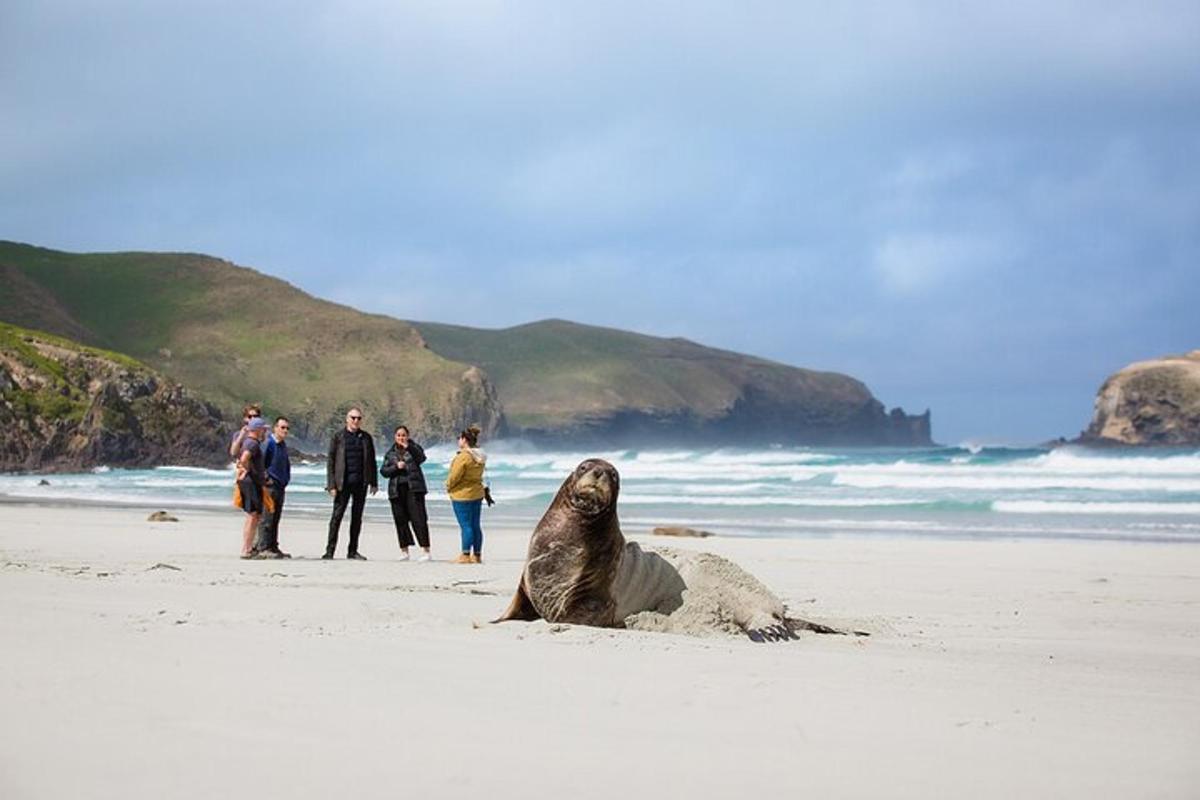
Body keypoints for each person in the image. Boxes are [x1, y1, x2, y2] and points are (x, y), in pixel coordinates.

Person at [324, 406, 377, 560]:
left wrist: (373, 482)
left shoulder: (366, 437)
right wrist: (331, 485)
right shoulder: (338, 436)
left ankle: (352, 551)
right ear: (347, 419)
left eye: (358, 418)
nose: (356, 421)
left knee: (357, 518)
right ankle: (330, 551)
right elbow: (331, 461)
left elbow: (372, 461)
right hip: (342, 483)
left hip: (361, 484)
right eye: (353, 418)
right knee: (337, 517)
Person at [380, 425, 432, 561]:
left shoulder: (414, 448)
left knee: (419, 519)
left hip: (414, 488)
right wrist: (395, 467)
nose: (401, 438)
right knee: (400, 520)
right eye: (398, 435)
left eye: (403, 435)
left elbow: (421, 458)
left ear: (408, 436)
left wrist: (408, 446)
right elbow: (383, 471)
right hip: (396, 490)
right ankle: (404, 551)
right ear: (394, 437)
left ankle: (426, 550)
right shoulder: (390, 453)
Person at [445, 424, 487, 564]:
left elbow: (455, 476)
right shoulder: (480, 456)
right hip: (477, 492)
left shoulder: (463, 457)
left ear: (464, 440)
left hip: (462, 494)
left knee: (466, 525)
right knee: (475, 524)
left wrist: (448, 486)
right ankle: (477, 554)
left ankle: (465, 554)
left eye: (460, 439)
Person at [253, 416, 292, 559]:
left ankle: (273, 546)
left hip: (280, 485)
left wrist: (286, 479)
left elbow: (286, 464)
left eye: (287, 428)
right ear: (275, 428)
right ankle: (263, 547)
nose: (285, 430)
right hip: (270, 486)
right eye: (282, 427)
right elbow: (260, 463)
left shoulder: (282, 445)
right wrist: (266, 479)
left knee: (276, 517)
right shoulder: (269, 443)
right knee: (267, 517)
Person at [235, 417, 269, 559]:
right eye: (263, 429)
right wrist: (246, 469)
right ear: (257, 430)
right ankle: (246, 549)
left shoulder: (249, 442)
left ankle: (248, 548)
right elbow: (244, 459)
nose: (265, 432)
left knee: (254, 515)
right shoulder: (253, 444)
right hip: (251, 482)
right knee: (253, 515)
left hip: (250, 482)